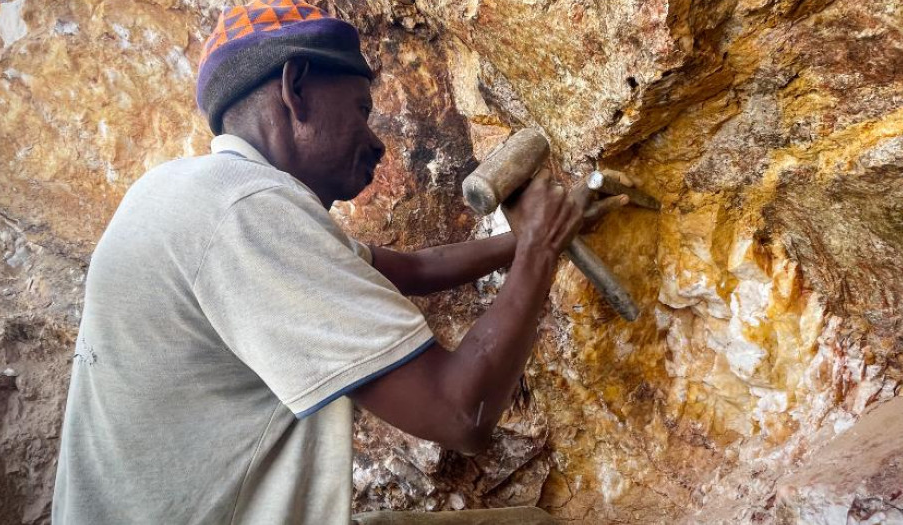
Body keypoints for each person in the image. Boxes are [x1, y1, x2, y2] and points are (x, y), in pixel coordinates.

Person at [51, 1, 626, 523]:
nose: (376, 143)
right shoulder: (248, 214)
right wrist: (540, 254)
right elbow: (460, 416)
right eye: (360, 110)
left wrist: (525, 238)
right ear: (295, 88)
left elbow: (413, 271)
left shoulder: (191, 190)